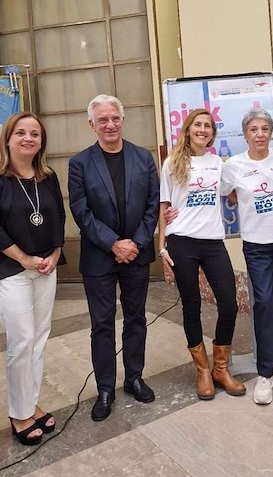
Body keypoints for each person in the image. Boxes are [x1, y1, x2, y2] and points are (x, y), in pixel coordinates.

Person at [68, 95, 159, 422]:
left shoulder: (143, 157)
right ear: (92, 125)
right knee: (101, 325)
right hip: (99, 258)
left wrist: (135, 242)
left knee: (136, 318)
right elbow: (81, 211)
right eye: (102, 120)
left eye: (114, 118)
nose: (109, 125)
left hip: (137, 252)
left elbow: (153, 205)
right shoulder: (79, 163)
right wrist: (113, 244)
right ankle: (105, 387)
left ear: (122, 120)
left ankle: (134, 377)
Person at [0, 112, 65, 445]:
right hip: (9, 268)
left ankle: (29, 404)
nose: (28, 138)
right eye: (21, 132)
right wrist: (24, 258)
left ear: (41, 140)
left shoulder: (47, 176)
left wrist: (55, 255)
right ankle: (19, 414)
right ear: (8, 138)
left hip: (45, 266)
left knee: (39, 337)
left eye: (35, 133)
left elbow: (59, 218)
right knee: (21, 340)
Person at [159, 108, 246, 401]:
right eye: (198, 124)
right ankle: (203, 371)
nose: (203, 129)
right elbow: (164, 207)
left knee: (229, 306)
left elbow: (232, 194)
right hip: (181, 242)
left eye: (208, 126)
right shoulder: (172, 163)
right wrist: (162, 248)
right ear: (188, 128)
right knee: (192, 306)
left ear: (213, 133)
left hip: (212, 242)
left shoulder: (218, 163)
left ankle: (221, 368)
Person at [220, 108, 273, 405]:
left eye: (265, 129)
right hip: (256, 244)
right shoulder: (233, 166)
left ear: (271, 132)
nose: (259, 134)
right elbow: (227, 194)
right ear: (245, 135)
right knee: (263, 302)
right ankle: (264, 373)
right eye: (253, 129)